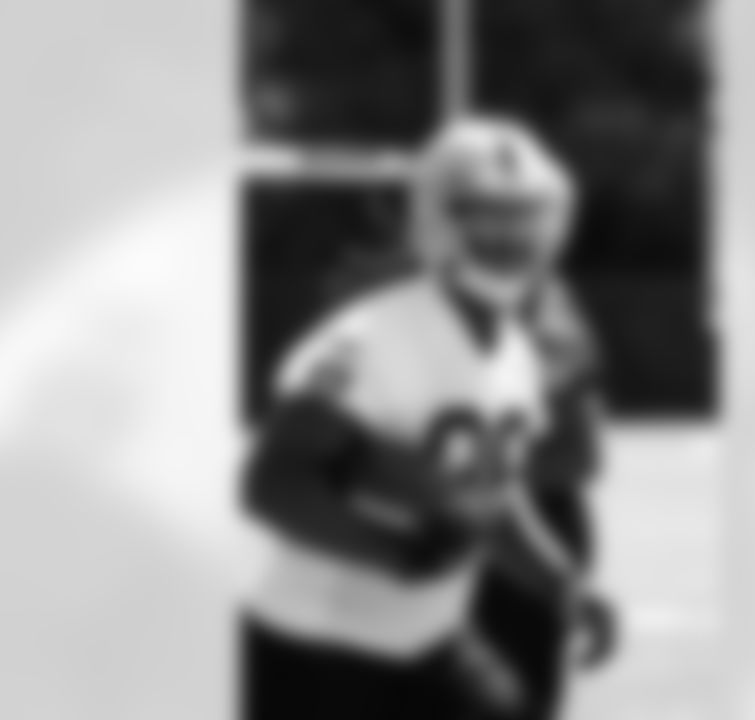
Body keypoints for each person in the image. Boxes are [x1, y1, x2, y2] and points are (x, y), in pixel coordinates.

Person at [240, 115, 614, 720]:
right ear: (440, 221)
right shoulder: (370, 335)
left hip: (427, 643)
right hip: (315, 650)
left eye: (527, 216)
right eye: (488, 216)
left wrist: (565, 585)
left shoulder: (515, 350)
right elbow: (272, 484)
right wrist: (392, 549)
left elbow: (492, 497)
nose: (511, 237)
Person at [472, 274, 611, 720]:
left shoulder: (546, 317)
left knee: (519, 691)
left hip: (526, 520)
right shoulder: (549, 307)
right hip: (519, 517)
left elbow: (582, 455)